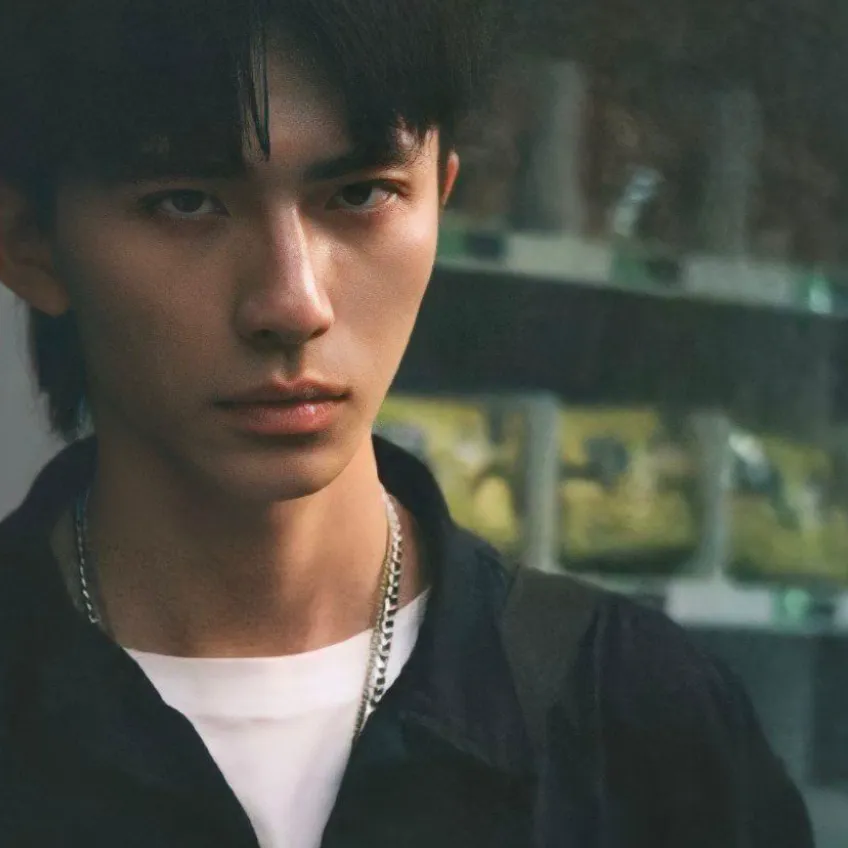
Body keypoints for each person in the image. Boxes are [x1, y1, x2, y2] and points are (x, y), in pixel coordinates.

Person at [0, 1, 814, 846]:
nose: (294, 303)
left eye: (360, 194)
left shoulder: (645, 722)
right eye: (186, 203)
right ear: (29, 243)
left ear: (439, 199)